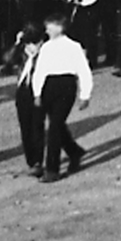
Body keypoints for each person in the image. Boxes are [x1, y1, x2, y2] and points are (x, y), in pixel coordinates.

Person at [31, 13, 93, 183]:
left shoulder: (73, 46)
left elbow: (83, 70)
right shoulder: (46, 47)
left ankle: (52, 169)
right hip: (48, 86)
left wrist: (85, 95)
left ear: (60, 27)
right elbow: (40, 71)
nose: (47, 30)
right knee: (57, 125)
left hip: (66, 86)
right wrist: (37, 93)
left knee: (54, 127)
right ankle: (74, 152)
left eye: (50, 27)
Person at [11, 23, 46, 177]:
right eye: (30, 44)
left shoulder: (45, 54)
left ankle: (38, 162)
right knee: (25, 127)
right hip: (23, 92)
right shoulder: (21, 53)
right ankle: (31, 160)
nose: (34, 47)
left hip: (39, 91)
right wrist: (17, 44)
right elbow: (8, 62)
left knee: (37, 126)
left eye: (36, 43)